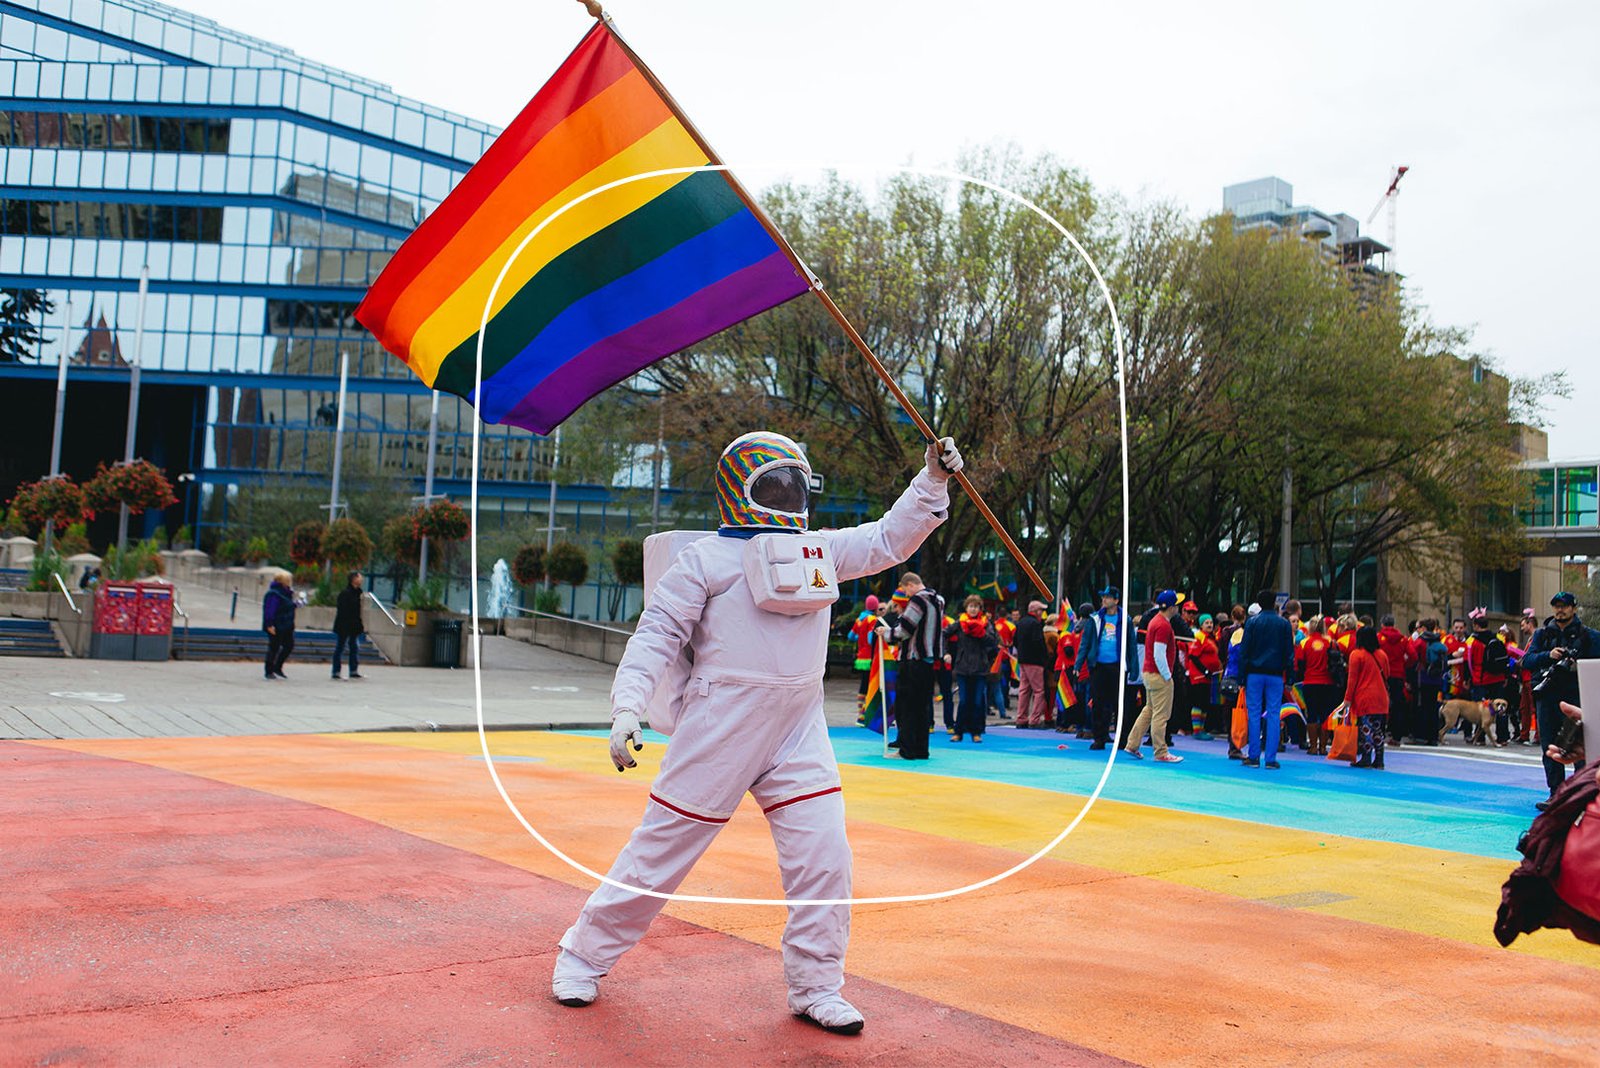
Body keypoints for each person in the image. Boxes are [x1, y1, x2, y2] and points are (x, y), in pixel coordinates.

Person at [551, 432, 963, 1034]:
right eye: (772, 482)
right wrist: (626, 709)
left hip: (798, 727)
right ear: (740, 488)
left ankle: (817, 986)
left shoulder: (822, 549)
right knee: (657, 856)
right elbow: (656, 636)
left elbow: (888, 539)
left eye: (791, 482)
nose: (785, 493)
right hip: (719, 728)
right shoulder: (706, 561)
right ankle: (582, 957)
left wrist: (932, 479)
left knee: (825, 861)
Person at [1522, 591, 1599, 810]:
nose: (1560, 610)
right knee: (1550, 747)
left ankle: (1583, 793)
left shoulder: (1589, 636)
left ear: (1574, 608)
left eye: (1564, 606)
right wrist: (1549, 656)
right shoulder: (1542, 635)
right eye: (1556, 606)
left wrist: (1578, 664)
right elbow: (1526, 661)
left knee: (1580, 747)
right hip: (1548, 697)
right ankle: (1555, 793)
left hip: (1577, 697)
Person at [881, 573, 947, 759]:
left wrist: (886, 633)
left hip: (913, 659)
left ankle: (907, 749)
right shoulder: (938, 600)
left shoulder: (918, 600)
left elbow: (905, 629)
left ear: (910, 585)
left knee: (907, 706)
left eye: (905, 590)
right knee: (922, 707)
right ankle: (920, 749)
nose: (906, 595)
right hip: (929, 659)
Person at [1126, 589, 1184, 763]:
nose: (1178, 608)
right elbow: (1159, 653)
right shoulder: (1163, 625)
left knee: (1149, 710)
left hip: (1149, 673)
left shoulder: (1155, 621)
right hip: (1159, 675)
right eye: (1176, 605)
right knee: (1161, 715)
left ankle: (1132, 744)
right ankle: (1161, 751)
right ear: (1171, 607)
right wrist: (1167, 676)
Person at [1240, 588, 1293, 770]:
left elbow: (1244, 651)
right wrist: (1290, 677)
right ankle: (1271, 758)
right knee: (1273, 714)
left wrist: (1241, 676)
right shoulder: (1284, 624)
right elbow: (1289, 652)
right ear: (1274, 603)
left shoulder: (1252, 623)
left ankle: (1254, 756)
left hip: (1254, 673)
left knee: (1253, 714)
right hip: (1275, 674)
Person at [1078, 587, 1134, 750]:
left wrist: (1134, 666)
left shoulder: (1125, 619)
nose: (1104, 600)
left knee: (1120, 704)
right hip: (1099, 666)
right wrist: (1078, 664)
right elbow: (1085, 643)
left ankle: (1122, 739)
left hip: (1117, 666)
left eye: (1108, 597)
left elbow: (1131, 644)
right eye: (1103, 597)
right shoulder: (1094, 619)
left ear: (1116, 600)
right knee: (1098, 703)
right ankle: (1099, 738)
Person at [945, 596, 998, 742]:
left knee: (977, 701)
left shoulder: (986, 624)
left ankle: (976, 732)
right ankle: (958, 732)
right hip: (962, 667)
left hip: (980, 668)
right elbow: (944, 634)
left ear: (980, 609)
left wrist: (982, 634)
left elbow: (993, 642)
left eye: (976, 606)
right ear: (966, 608)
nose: (973, 609)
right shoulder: (960, 623)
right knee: (963, 701)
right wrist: (946, 652)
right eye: (970, 606)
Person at [1344, 625, 1391, 768]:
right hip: (1381, 697)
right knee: (1378, 728)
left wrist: (1347, 699)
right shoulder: (1382, 654)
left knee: (1366, 728)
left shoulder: (1356, 655)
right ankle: (1379, 759)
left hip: (1364, 696)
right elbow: (1387, 674)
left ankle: (1365, 757)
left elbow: (1352, 680)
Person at [1296, 617, 1339, 756]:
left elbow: (1300, 664)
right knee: (1325, 715)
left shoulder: (1304, 643)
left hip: (1310, 682)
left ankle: (1313, 746)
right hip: (1327, 683)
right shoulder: (1330, 643)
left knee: (1312, 714)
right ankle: (1323, 747)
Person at [1376, 614, 1417, 746]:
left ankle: (1379, 733)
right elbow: (1413, 656)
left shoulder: (1378, 638)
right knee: (1398, 705)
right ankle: (1396, 736)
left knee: (1380, 704)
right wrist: (1405, 665)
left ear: (1382, 624)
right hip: (1398, 674)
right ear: (1394, 625)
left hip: (1382, 675)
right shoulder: (1403, 639)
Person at [1012, 600, 1051, 728]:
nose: (1043, 613)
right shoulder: (1035, 624)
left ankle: (1021, 718)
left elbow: (1015, 640)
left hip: (1023, 660)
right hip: (1035, 661)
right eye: (1041, 610)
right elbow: (1038, 643)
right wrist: (1045, 658)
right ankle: (1034, 720)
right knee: (1039, 691)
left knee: (1024, 690)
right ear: (1036, 611)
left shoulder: (1021, 622)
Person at [1412, 618, 1449, 745]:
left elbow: (1412, 655)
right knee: (1433, 707)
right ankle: (1433, 737)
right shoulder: (1438, 640)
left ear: (1423, 628)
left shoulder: (1421, 641)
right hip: (1436, 679)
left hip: (1423, 677)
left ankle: (1421, 736)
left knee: (1422, 706)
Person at [849, 596, 882, 715]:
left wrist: (860, 639)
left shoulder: (859, 620)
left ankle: (860, 713)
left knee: (863, 684)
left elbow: (850, 636)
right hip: (870, 657)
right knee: (872, 685)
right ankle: (868, 713)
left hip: (861, 657)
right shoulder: (872, 619)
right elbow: (870, 639)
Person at [331, 571, 366, 680]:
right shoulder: (345, 593)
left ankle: (353, 670)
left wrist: (359, 624)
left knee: (354, 647)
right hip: (344, 625)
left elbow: (357, 611)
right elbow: (343, 610)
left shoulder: (358, 593)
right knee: (340, 647)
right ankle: (336, 671)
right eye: (359, 577)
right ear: (354, 579)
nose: (362, 579)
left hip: (354, 625)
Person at [262, 571, 296, 680]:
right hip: (277, 624)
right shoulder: (274, 594)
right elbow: (270, 610)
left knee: (289, 645)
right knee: (274, 647)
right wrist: (269, 624)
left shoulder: (287, 593)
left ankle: (277, 667)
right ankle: (269, 670)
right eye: (288, 580)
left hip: (287, 624)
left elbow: (288, 606)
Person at [990, 608, 1016, 719]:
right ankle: (1004, 708)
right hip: (1003, 657)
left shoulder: (992, 625)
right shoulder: (1011, 625)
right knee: (1002, 684)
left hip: (989, 660)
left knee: (986, 688)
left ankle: (989, 707)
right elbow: (1015, 640)